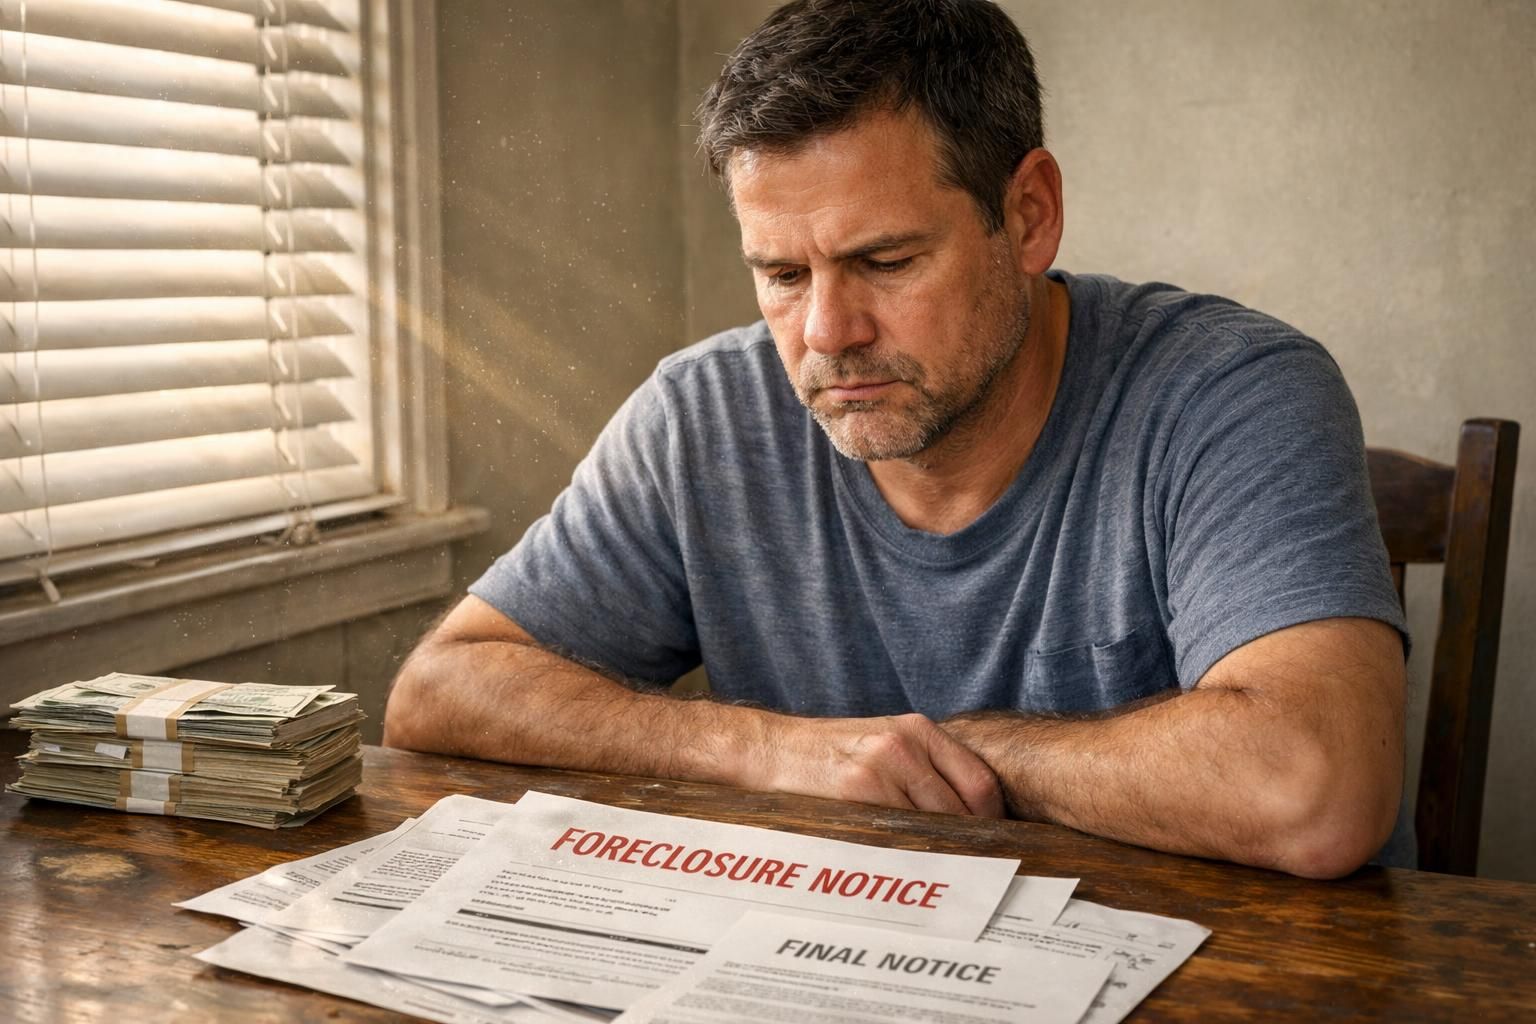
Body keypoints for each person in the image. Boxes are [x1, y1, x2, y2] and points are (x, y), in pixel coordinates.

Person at [385, 0, 1409, 879]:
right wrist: (773, 752)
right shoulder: (704, 414)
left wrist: (942, 755)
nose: (828, 334)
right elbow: (441, 691)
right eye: (782, 276)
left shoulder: (1230, 392)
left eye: (884, 259)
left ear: (1030, 214)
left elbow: (1313, 789)